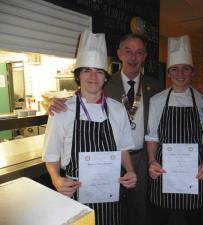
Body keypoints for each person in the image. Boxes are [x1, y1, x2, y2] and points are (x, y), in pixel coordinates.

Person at [47, 33, 163, 225]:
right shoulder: (63, 110)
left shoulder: (116, 109)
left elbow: (123, 147)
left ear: (105, 77)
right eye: (87, 71)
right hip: (75, 188)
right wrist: (56, 179)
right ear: (78, 75)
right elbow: (51, 154)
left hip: (109, 187)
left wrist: (130, 170)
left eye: (99, 72)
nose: (93, 77)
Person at [145, 35, 203, 225]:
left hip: (194, 171)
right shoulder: (157, 101)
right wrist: (151, 161)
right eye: (174, 69)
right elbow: (152, 136)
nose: (180, 74)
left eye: (185, 68)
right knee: (159, 218)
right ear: (168, 73)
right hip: (163, 169)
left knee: (194, 219)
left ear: (192, 71)